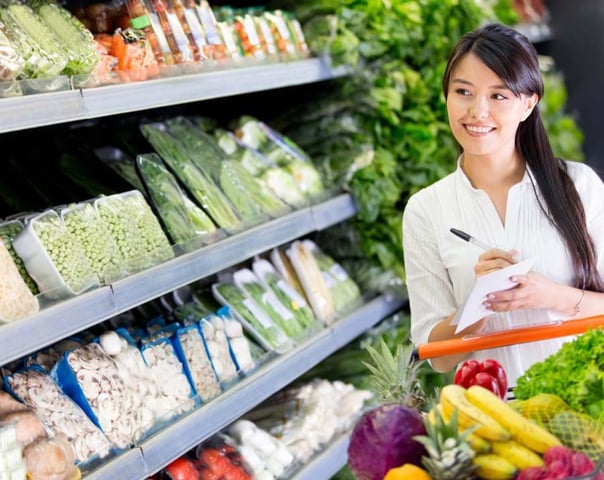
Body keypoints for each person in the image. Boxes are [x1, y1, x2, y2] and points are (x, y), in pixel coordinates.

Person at [401, 23, 604, 388]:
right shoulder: (425, 210)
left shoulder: (579, 186)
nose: (478, 111)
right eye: (463, 91)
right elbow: (437, 356)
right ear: (446, 96)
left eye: (499, 96)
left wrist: (550, 296)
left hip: (586, 407)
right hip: (493, 420)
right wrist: (475, 307)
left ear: (528, 104)